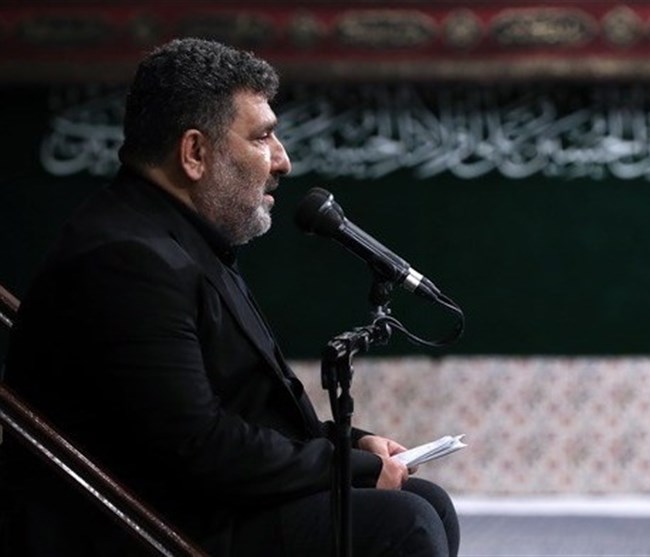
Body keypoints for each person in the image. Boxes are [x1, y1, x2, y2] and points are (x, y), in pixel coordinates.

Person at [0, 38, 459, 557]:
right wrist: (350, 466)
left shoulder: (178, 238)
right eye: (262, 137)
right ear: (195, 153)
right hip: (143, 529)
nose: (282, 161)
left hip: (200, 505)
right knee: (404, 522)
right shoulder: (125, 260)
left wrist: (352, 445)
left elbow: (243, 415)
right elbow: (198, 444)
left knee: (426, 502)